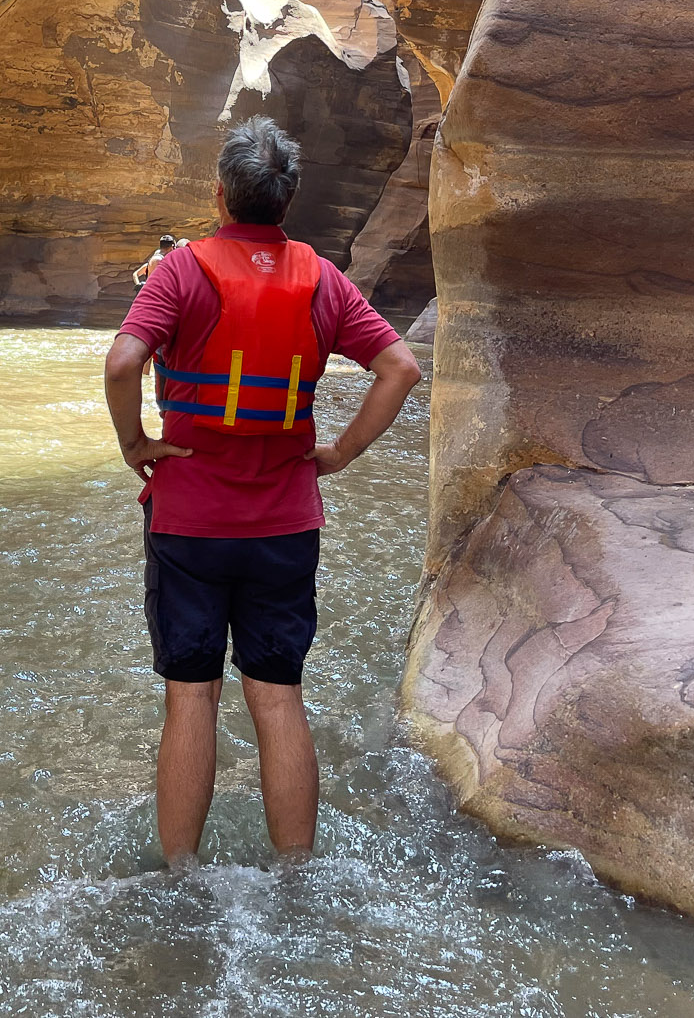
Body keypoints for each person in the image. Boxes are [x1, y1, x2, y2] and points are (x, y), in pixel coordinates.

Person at [104, 116, 421, 866]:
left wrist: (135, 445)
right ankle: (295, 875)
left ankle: (179, 873)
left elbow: (122, 365)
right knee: (276, 696)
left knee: (191, 695)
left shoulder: (180, 272)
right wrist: (339, 452)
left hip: (187, 520)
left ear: (219, 195)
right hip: (283, 523)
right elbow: (401, 369)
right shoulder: (322, 279)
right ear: (289, 199)